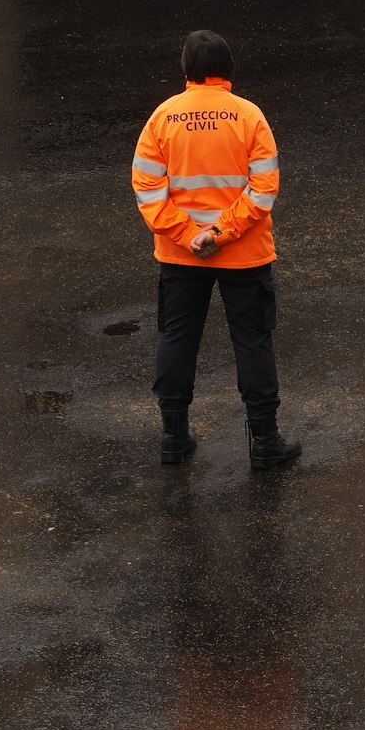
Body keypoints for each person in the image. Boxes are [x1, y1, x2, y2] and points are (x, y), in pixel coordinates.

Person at [131, 30, 301, 469]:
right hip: (245, 254)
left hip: (180, 256)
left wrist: (190, 235)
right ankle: (264, 442)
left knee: (177, 338)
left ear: (186, 70)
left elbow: (147, 189)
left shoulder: (162, 118)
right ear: (228, 69)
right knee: (252, 342)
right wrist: (220, 232)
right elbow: (265, 188)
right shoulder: (249, 116)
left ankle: (173, 438)